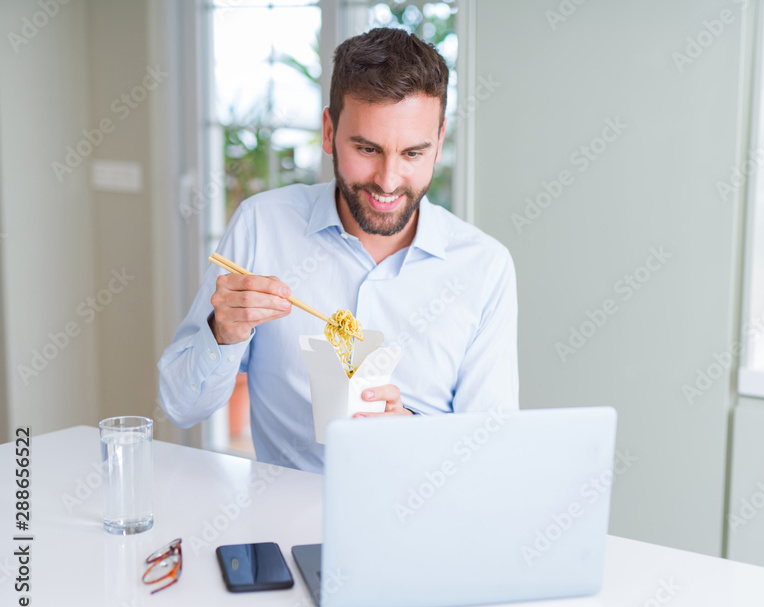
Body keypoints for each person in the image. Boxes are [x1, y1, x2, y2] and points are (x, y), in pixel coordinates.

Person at [158, 28, 518, 472]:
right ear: (329, 132)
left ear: (439, 142)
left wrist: (410, 429)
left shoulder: (484, 266)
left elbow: (491, 449)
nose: (388, 180)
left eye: (412, 153)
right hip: (283, 521)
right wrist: (222, 333)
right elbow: (179, 407)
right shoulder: (262, 225)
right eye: (367, 148)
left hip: (421, 515)